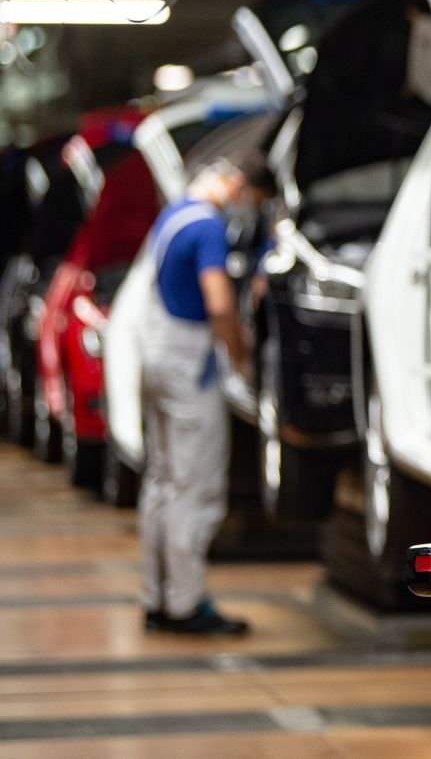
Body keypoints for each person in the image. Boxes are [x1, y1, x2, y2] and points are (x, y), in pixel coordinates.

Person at [140, 155, 273, 635]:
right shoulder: (208, 228)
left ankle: (157, 596)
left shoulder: (172, 215)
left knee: (161, 480)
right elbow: (218, 301)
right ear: (232, 182)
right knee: (195, 487)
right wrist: (239, 353)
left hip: (156, 357)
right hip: (189, 366)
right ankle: (186, 604)